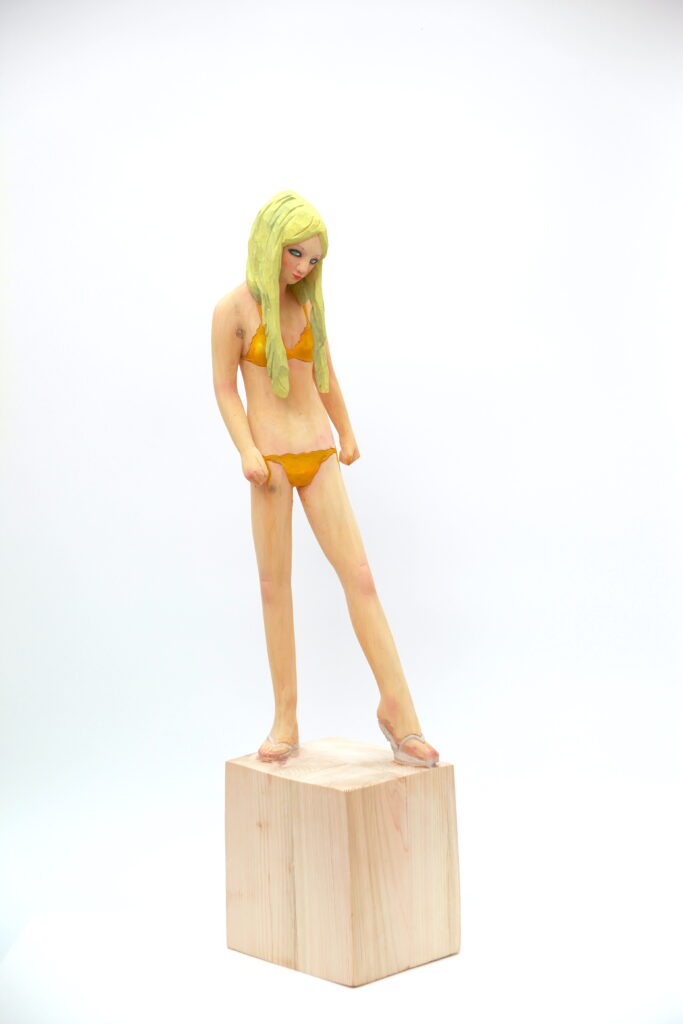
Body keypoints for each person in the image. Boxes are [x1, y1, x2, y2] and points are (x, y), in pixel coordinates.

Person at [211, 190, 439, 767]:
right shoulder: (233, 311)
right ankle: (285, 717)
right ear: (270, 243)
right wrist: (246, 449)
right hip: (269, 464)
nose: (303, 268)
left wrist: (347, 428)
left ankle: (400, 710)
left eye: (313, 259)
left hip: (318, 453)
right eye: (296, 253)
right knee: (274, 586)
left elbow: (325, 373)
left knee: (360, 576)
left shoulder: (307, 308)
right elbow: (225, 390)